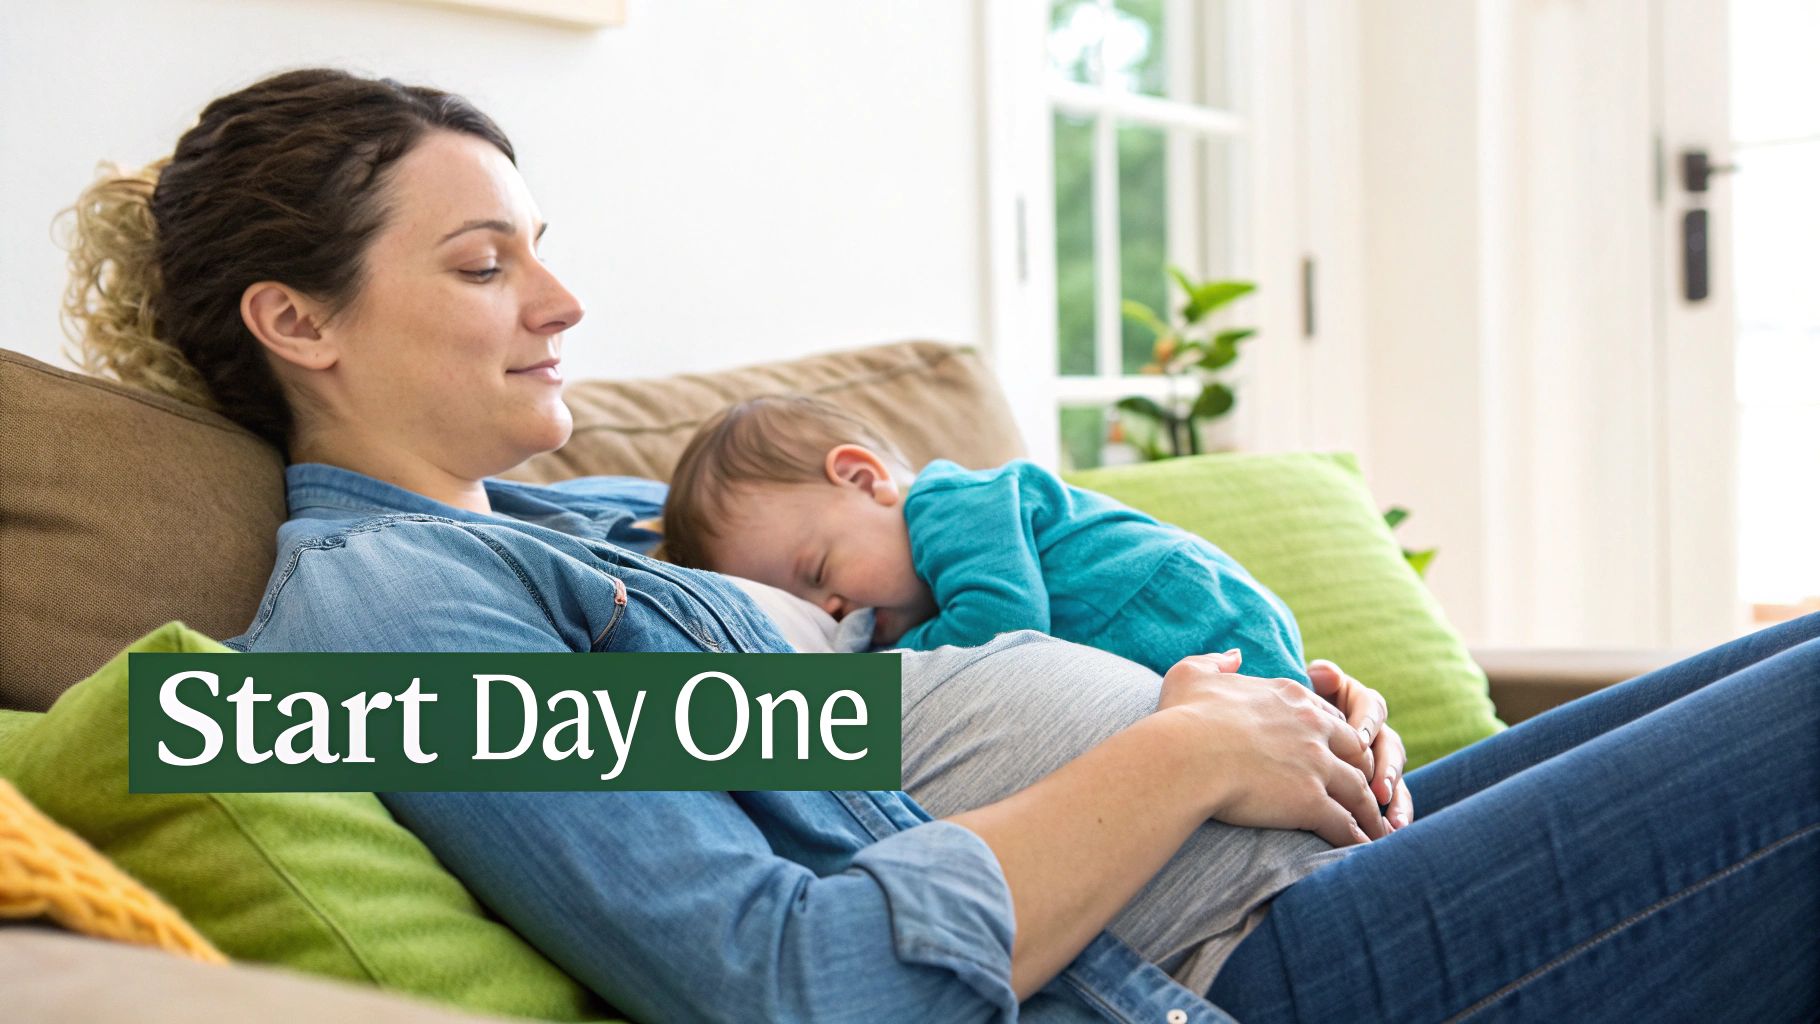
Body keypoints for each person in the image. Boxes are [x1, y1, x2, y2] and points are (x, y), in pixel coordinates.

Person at [61, 68, 1817, 1023]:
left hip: (1281, 867)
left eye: (541, 245)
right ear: (298, 320)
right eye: (482, 264)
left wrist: (1262, 710)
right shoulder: (391, 615)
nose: (564, 300)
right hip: (1212, 976)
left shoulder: (583, 523)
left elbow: (882, 723)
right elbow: (791, 977)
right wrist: (1184, 751)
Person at [658, 393, 1309, 684]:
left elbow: (1004, 627)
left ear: (864, 479)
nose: (828, 610)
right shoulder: (923, 582)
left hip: (1190, 616)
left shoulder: (952, 505)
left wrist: (879, 670)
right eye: (802, 604)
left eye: (819, 571)